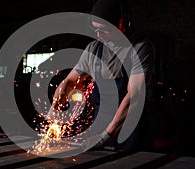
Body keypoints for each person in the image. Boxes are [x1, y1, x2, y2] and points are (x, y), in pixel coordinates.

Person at [48, 0, 154, 153]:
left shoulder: (139, 48)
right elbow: (69, 81)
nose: (98, 35)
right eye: (95, 29)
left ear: (122, 23)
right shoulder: (93, 49)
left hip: (130, 131)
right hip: (99, 127)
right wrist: (55, 110)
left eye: (104, 30)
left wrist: (106, 136)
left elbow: (135, 96)